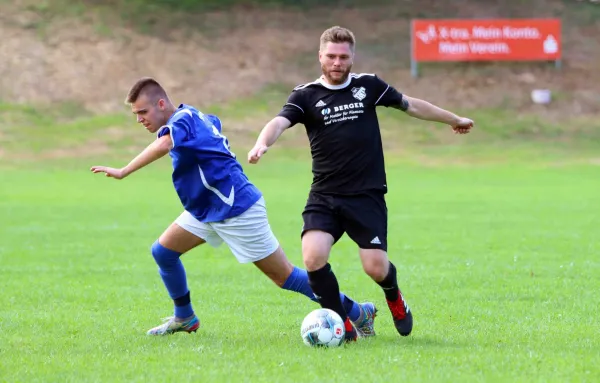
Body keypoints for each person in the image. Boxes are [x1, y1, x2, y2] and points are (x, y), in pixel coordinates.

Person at [90, 77, 376, 340]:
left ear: (161, 104)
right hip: (206, 209)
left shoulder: (183, 119)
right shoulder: (193, 116)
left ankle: (358, 312)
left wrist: (123, 170)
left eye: (143, 112)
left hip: (236, 209)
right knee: (163, 252)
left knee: (286, 277)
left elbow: (167, 143)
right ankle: (185, 317)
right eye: (136, 114)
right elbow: (213, 125)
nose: (139, 119)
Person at [248, 26, 473, 338]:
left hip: (365, 195)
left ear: (352, 57)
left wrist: (454, 119)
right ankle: (344, 327)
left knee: (375, 268)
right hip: (325, 194)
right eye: (331, 56)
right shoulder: (306, 95)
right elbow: (279, 122)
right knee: (313, 257)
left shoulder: (368, 86)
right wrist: (263, 143)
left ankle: (393, 297)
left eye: (343, 56)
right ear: (320, 57)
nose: (337, 62)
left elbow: (411, 105)